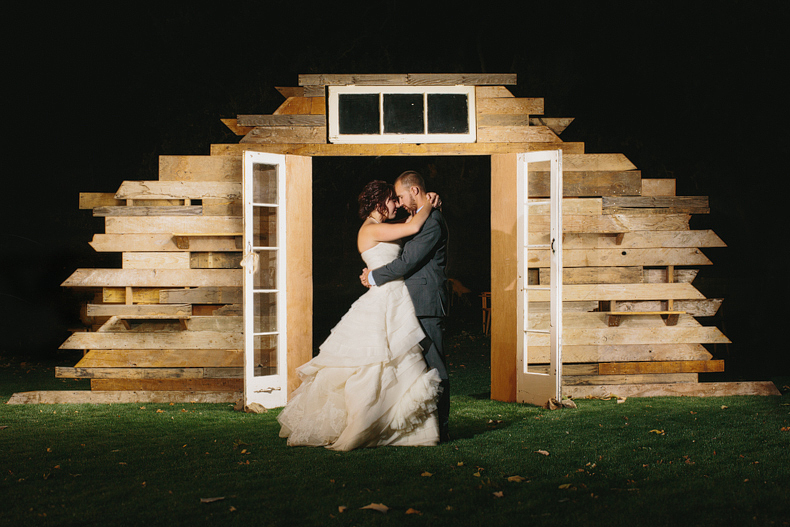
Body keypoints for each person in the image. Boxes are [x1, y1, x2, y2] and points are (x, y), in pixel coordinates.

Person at [277, 180, 442, 451]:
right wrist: (429, 205)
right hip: (385, 300)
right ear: (379, 203)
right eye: (392, 200)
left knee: (395, 362)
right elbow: (413, 227)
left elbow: (410, 228)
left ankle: (404, 425)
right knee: (376, 364)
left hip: (393, 295)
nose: (396, 205)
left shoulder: (377, 227)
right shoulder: (372, 228)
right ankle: (369, 421)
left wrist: (423, 203)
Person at [360, 170, 450, 442]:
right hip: (407, 303)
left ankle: (441, 429)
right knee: (413, 369)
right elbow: (406, 227)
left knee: (435, 368)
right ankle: (417, 425)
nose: (398, 204)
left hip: (426, 303)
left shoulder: (431, 220)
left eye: (400, 196)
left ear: (414, 191)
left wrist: (373, 276)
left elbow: (408, 260)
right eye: (393, 199)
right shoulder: (419, 217)